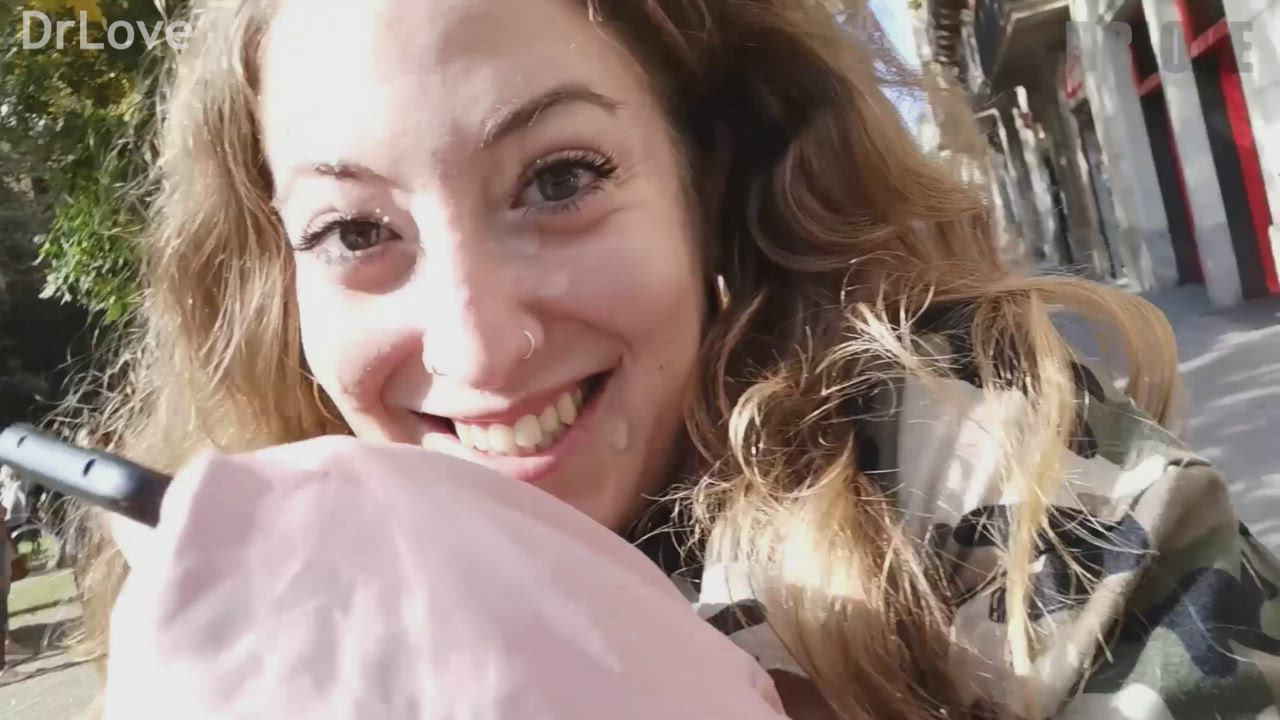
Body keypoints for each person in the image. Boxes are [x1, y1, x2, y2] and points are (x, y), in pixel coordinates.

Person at [66, 0, 1280, 717]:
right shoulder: (244, 615)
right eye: (353, 232)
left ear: (707, 177)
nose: (476, 344)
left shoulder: (993, 488)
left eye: (559, 179)